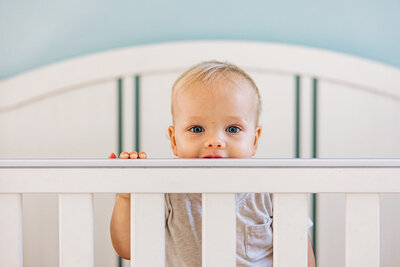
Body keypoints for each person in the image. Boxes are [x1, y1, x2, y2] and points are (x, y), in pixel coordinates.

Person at [110, 60, 316, 267]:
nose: (215, 141)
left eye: (233, 129)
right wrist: (127, 195)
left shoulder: (271, 190)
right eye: (197, 129)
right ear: (174, 141)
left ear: (254, 140)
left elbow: (300, 256)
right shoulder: (166, 188)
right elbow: (128, 248)